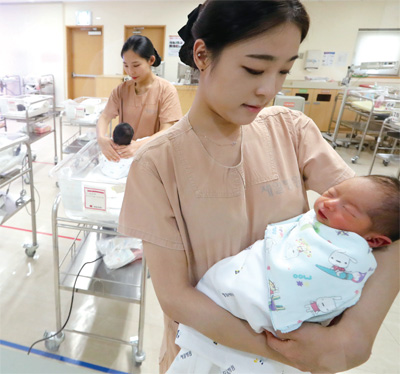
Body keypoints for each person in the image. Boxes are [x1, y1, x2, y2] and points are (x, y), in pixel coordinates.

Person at [118, 1, 399, 373]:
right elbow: (176, 298)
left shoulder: (291, 130)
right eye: (254, 68)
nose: (269, 89)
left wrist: (356, 334)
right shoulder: (157, 163)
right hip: (206, 354)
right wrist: (290, 351)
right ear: (202, 54)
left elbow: (384, 221)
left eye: (284, 70)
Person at [168, 175, 400, 373]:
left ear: (375, 240)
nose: (329, 203)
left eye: (347, 209)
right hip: (221, 306)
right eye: (331, 192)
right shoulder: (316, 221)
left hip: (273, 332)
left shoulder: (353, 254)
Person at [96, 35, 182, 162]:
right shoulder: (121, 90)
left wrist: (139, 146)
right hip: (126, 157)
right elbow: (104, 117)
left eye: (136, 65)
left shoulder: (166, 90)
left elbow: (167, 130)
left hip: (154, 158)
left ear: (151, 60)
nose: (130, 71)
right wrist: (101, 139)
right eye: (126, 65)